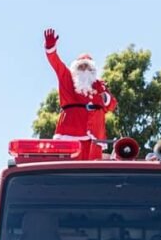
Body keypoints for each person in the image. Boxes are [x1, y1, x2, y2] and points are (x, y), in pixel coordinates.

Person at [44, 28, 114, 160]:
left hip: (95, 132)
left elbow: (111, 105)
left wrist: (104, 96)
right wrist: (50, 48)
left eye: (88, 67)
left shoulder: (99, 85)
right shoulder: (68, 79)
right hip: (71, 130)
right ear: (75, 68)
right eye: (81, 66)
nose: (85, 70)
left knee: (92, 170)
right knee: (71, 168)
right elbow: (56, 64)